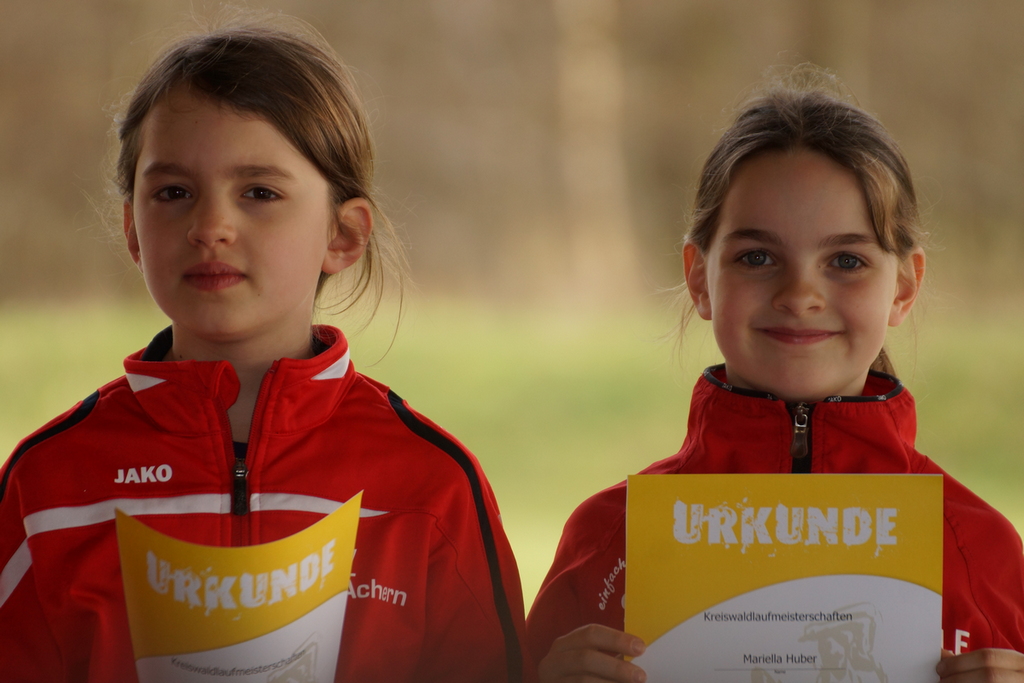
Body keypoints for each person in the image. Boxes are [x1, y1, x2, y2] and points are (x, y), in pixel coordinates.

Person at [0, 18, 528, 683]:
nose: (210, 226)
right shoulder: (45, 484)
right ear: (133, 228)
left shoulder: (430, 484)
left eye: (259, 193)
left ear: (342, 234)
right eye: (173, 193)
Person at [526, 73, 1024, 683]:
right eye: (757, 257)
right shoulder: (607, 538)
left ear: (904, 286)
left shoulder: (984, 550)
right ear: (698, 278)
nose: (800, 294)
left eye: (846, 261)